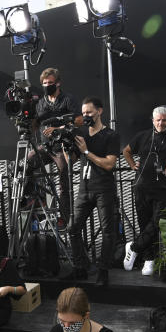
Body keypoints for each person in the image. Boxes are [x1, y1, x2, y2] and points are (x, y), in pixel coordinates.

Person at [122, 106, 166, 277]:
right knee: (145, 224)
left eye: (164, 120)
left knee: (158, 222)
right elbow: (126, 151)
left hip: (163, 188)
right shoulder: (142, 136)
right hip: (141, 187)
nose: (161, 123)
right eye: (158, 120)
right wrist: (132, 164)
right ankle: (150, 259)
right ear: (153, 120)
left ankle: (134, 247)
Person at [68, 96, 121, 286]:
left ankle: (103, 270)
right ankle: (82, 267)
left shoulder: (111, 135)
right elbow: (71, 161)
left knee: (108, 231)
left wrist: (86, 152)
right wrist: (69, 149)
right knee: (72, 228)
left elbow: (109, 164)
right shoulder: (81, 133)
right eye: (83, 113)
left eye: (89, 112)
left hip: (104, 188)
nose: (86, 116)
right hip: (84, 188)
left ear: (100, 111)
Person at [32, 67, 82, 214]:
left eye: (50, 82)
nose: (47, 85)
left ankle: (65, 216)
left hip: (62, 147)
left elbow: (79, 120)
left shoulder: (68, 99)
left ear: (58, 83)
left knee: (64, 180)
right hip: (45, 146)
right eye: (45, 83)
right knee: (26, 164)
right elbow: (34, 126)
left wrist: (60, 128)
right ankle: (30, 201)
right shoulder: (40, 103)